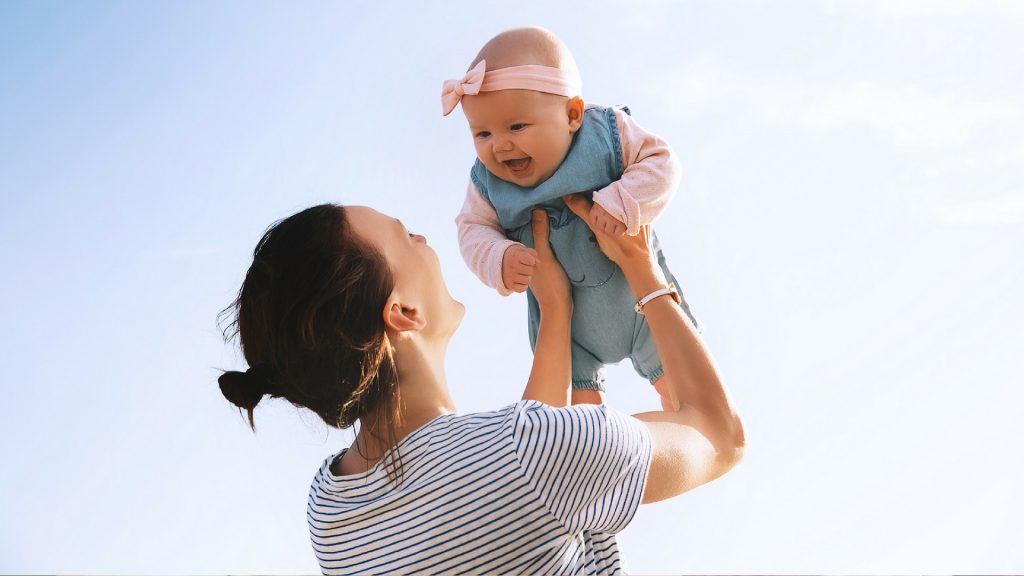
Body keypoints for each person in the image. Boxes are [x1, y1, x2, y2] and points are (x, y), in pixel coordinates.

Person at [218, 194, 744, 575]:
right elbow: (721, 436)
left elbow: (512, 491)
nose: (424, 239)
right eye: (407, 237)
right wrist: (642, 270)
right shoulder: (535, 455)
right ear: (403, 312)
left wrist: (555, 309)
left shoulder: (332, 511)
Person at [446, 27, 699, 410]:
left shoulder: (605, 134)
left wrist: (623, 201)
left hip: (641, 300)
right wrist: (498, 257)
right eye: (482, 133)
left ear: (572, 115)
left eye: (516, 126)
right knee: (577, 421)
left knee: (684, 393)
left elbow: (662, 162)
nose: (500, 145)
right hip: (569, 331)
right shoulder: (486, 183)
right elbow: (471, 229)